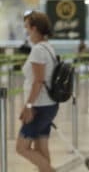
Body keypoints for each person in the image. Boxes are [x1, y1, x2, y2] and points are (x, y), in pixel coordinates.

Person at [16, 11, 58, 172]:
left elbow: (38, 81)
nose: (26, 30)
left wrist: (28, 106)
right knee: (41, 148)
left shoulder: (38, 50)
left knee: (21, 147)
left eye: (27, 27)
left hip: (39, 106)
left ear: (34, 28)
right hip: (48, 104)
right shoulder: (48, 47)